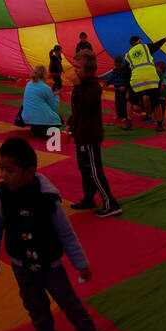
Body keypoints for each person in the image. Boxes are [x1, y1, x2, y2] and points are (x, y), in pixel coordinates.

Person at [0, 136, 105, 331]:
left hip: (51, 266)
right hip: (22, 266)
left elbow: (66, 234)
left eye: (10, 171)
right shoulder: (1, 197)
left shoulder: (48, 200)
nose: (3, 175)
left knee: (70, 304)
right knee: (35, 306)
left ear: (29, 172)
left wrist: (81, 264)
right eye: (1, 169)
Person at [65, 52, 121, 217]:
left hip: (90, 136)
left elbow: (84, 107)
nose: (75, 72)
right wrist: (70, 123)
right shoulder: (83, 85)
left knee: (94, 171)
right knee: (84, 169)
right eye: (75, 67)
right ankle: (89, 198)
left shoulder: (93, 87)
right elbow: (76, 111)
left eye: (78, 68)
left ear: (89, 71)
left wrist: (76, 87)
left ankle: (111, 203)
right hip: (81, 134)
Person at [124, 34, 166, 132]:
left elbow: (127, 73)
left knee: (130, 101)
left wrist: (128, 86)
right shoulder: (145, 47)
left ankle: (129, 123)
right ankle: (159, 125)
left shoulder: (127, 55)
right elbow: (156, 46)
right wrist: (164, 39)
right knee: (156, 102)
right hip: (151, 78)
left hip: (137, 79)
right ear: (139, 41)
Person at [21, 65, 63, 139]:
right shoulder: (46, 88)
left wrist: (52, 94)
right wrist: (57, 96)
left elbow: (39, 97)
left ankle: (35, 129)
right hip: (39, 117)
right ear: (44, 75)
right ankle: (42, 130)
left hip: (26, 117)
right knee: (59, 119)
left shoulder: (29, 84)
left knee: (37, 109)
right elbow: (53, 107)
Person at [101, 55, 131, 130]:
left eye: (119, 66)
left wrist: (124, 86)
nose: (118, 67)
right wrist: (106, 84)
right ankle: (119, 114)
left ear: (122, 64)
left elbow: (128, 80)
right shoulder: (114, 71)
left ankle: (125, 116)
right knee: (117, 102)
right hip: (117, 89)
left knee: (123, 102)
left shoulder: (125, 71)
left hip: (123, 90)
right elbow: (111, 78)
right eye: (117, 66)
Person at [155, 58, 166, 128]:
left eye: (157, 67)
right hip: (158, 95)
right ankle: (155, 118)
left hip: (162, 95)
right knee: (156, 106)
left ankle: (163, 119)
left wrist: (158, 92)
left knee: (162, 108)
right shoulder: (157, 76)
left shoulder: (164, 77)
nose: (155, 68)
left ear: (161, 68)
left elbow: (163, 86)